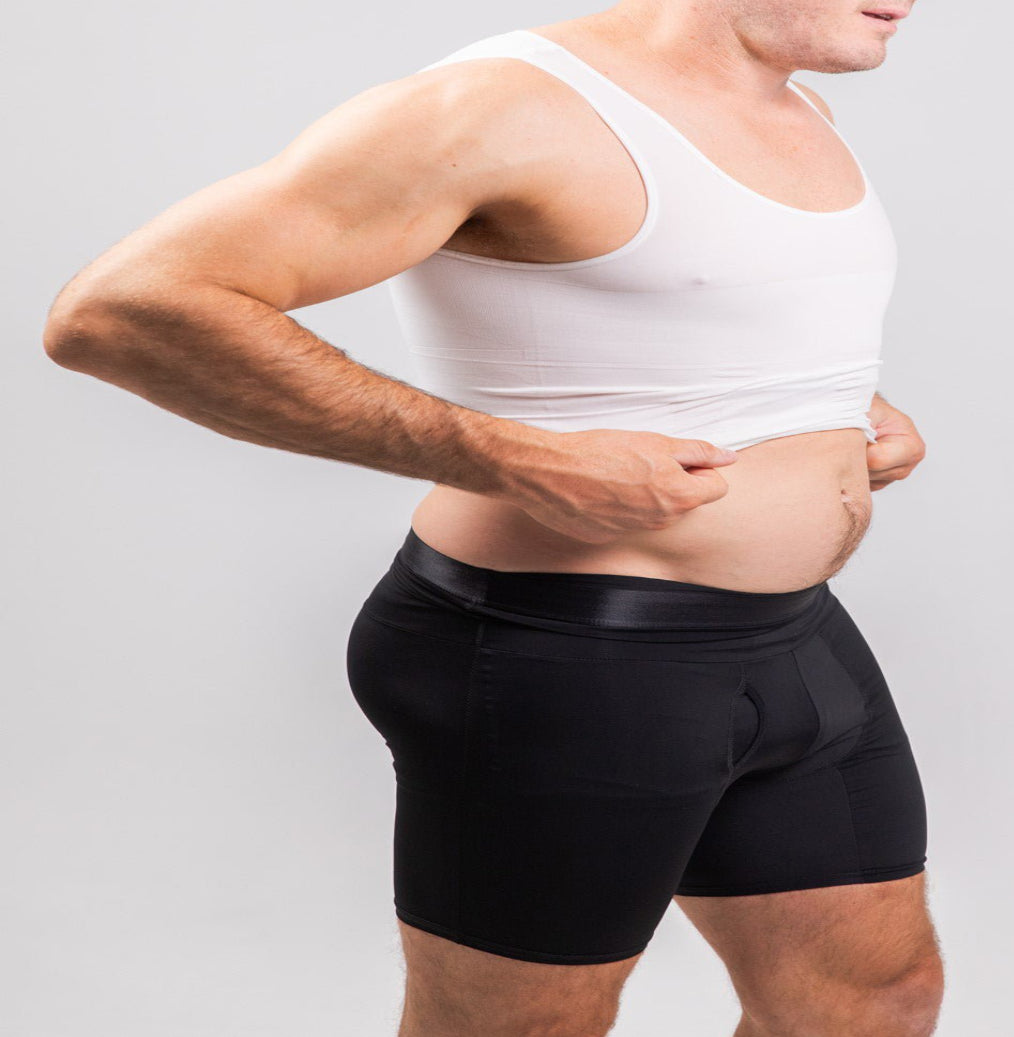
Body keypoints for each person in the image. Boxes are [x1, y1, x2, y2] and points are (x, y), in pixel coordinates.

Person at [42, 0, 944, 1033]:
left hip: (792, 637)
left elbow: (701, 320)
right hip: (561, 652)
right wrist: (510, 455)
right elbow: (123, 309)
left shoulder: (800, 109)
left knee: (871, 1001)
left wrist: (831, 417)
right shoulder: (502, 108)